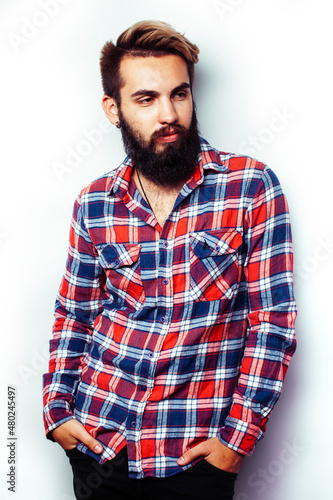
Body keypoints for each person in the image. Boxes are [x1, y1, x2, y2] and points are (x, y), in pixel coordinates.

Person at [42, 20, 297, 500]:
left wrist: (234, 443)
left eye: (179, 94)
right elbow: (73, 314)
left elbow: (273, 324)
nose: (169, 114)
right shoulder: (94, 202)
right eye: (146, 99)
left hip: (193, 457)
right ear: (113, 110)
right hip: (101, 444)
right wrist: (56, 410)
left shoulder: (250, 187)